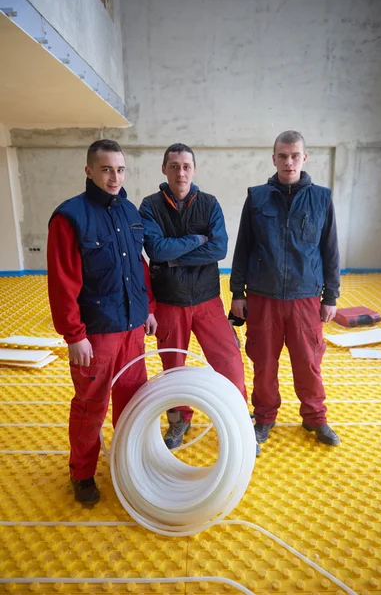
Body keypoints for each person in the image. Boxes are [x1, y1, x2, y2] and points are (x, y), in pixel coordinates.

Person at [47, 139, 157, 504]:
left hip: (132, 329)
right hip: (95, 335)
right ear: (89, 170)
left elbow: (139, 268)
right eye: (107, 169)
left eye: (120, 169)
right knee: (90, 406)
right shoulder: (70, 217)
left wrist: (149, 309)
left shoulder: (129, 211)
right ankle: (82, 474)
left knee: (132, 401)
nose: (114, 177)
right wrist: (74, 335)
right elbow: (63, 282)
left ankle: (128, 464)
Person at [230, 130, 340, 453]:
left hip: (305, 297)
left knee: (308, 361)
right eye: (283, 155)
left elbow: (330, 251)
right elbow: (243, 248)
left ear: (304, 158)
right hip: (263, 297)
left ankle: (315, 416)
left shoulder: (322, 198)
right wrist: (237, 292)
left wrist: (331, 296)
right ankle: (264, 417)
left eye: (295, 155)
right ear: (274, 158)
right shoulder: (257, 197)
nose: (288, 161)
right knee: (263, 361)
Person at [139, 143, 247, 450]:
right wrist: (195, 241)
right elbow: (156, 250)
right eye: (174, 166)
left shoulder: (210, 204)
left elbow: (219, 249)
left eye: (186, 166)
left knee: (228, 360)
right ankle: (179, 421)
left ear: (194, 169)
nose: (180, 172)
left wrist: (174, 257)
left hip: (207, 299)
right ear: (164, 169)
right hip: (170, 301)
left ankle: (239, 418)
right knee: (173, 367)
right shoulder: (149, 206)